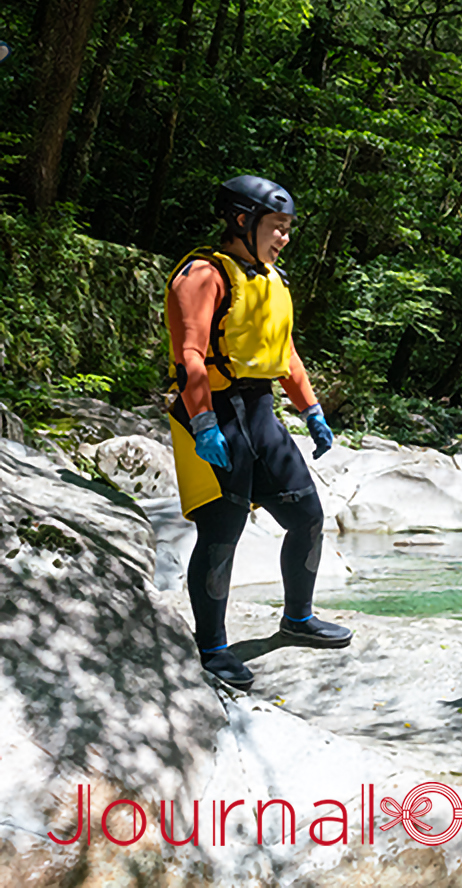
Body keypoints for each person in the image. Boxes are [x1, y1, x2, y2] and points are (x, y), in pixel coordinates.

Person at [164, 175, 350, 691]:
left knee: (308, 516)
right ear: (243, 221)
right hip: (214, 414)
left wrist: (311, 409)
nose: (285, 237)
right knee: (222, 535)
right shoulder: (203, 275)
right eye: (278, 227)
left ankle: (299, 618)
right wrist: (203, 423)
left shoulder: (271, 278)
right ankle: (213, 648)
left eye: (289, 229)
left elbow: (285, 353)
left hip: (260, 412)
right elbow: (190, 356)